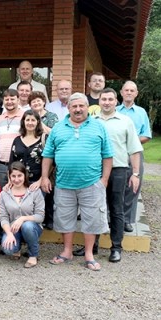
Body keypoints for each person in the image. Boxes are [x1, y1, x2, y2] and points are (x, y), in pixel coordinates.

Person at [41, 92, 113, 271]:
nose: (78, 109)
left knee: (92, 218)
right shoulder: (58, 127)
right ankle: (67, 251)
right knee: (65, 218)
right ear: (68, 108)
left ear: (87, 107)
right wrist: (44, 177)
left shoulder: (99, 126)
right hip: (64, 183)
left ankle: (89, 254)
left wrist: (104, 179)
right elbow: (48, 155)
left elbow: (108, 155)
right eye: (74, 106)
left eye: (81, 106)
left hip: (92, 182)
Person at [89, 88, 142, 263]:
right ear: (99, 101)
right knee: (95, 209)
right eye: (103, 99)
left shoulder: (125, 121)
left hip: (119, 170)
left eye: (110, 99)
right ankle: (92, 246)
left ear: (115, 101)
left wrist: (135, 173)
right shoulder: (91, 121)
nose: (106, 102)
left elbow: (134, 149)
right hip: (95, 171)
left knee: (116, 209)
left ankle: (116, 247)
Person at [117, 80, 152, 233]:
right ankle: (115, 218)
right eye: (126, 90)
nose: (129, 93)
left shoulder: (141, 112)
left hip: (134, 154)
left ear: (136, 93)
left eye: (132, 90)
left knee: (132, 187)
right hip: (117, 154)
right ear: (121, 92)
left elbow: (147, 135)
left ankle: (126, 220)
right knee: (116, 187)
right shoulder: (115, 110)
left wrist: (130, 140)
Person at [0, 162, 45, 268]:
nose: (16, 179)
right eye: (13, 176)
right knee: (8, 249)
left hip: (32, 227)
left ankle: (33, 254)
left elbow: (40, 216)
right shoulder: (4, 193)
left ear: (25, 175)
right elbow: (3, 217)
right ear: (9, 177)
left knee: (27, 225)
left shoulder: (34, 191)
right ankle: (17, 247)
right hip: (13, 228)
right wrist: (9, 233)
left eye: (19, 175)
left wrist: (23, 218)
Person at [0, 89, 24, 187]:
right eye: (6, 99)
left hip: (18, 164)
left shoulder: (24, 116)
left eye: (12, 99)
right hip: (1, 165)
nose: (9, 102)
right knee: (1, 195)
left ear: (18, 100)